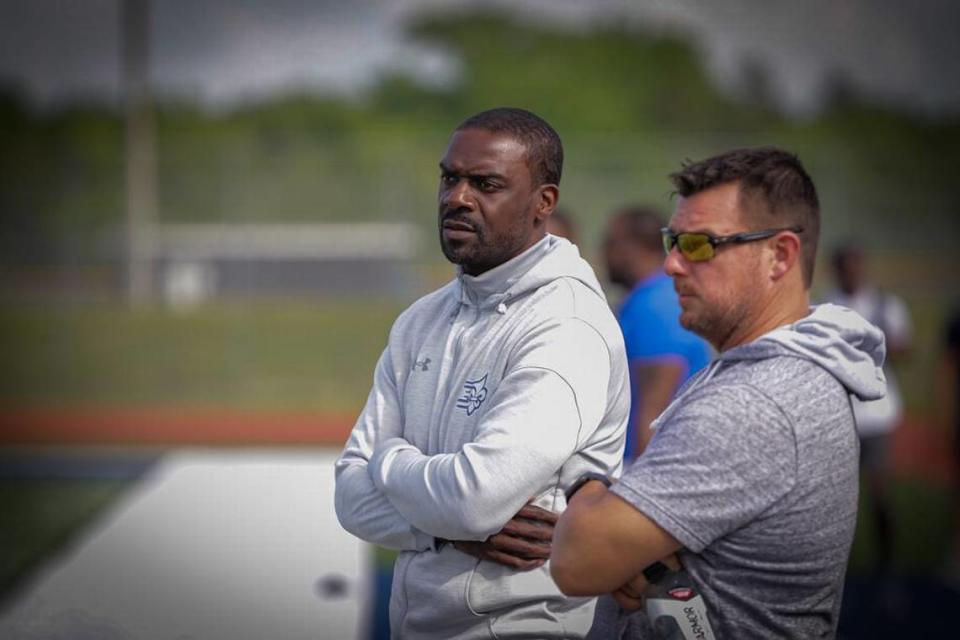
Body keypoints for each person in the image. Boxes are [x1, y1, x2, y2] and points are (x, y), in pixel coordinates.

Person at [551, 147, 887, 639]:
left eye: (700, 245)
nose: (671, 265)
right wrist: (643, 561)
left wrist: (586, 482)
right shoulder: (791, 370)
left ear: (781, 255)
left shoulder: (754, 404)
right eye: (673, 241)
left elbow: (577, 562)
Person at [334, 107, 630, 639]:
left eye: (485, 183)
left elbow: (474, 499)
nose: (457, 197)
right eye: (450, 177)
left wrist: (390, 459)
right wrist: (444, 534)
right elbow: (350, 496)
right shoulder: (421, 320)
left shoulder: (567, 325)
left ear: (544, 203)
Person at [824, 242, 912, 574]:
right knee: (836, 501)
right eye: (846, 266)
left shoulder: (886, 305)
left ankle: (885, 568)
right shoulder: (825, 305)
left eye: (857, 265)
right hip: (840, 416)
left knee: (879, 494)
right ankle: (836, 570)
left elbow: (905, 349)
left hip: (876, 414)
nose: (853, 272)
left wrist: (882, 345)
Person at [603, 205, 712, 458]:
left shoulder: (654, 305)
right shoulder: (653, 297)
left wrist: (637, 490)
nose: (603, 252)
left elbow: (655, 407)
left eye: (610, 243)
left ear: (632, 247)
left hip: (655, 469)